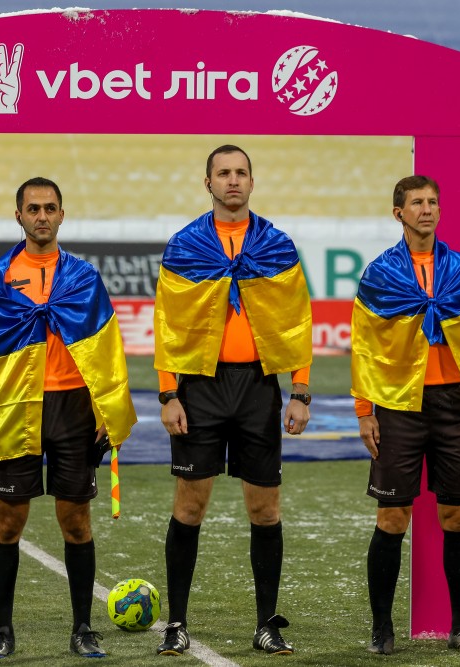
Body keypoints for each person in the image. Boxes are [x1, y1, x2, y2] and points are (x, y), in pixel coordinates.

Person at [152, 145, 313, 656]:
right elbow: (167, 324)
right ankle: (177, 624)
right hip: (199, 387)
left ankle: (267, 625)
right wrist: (168, 393)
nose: (233, 180)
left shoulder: (277, 246)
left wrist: (300, 391)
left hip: (259, 389)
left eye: (241, 172)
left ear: (252, 181)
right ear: (209, 183)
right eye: (223, 173)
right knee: (190, 505)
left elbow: (297, 322)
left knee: (264, 509)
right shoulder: (185, 246)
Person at [0, 177, 137, 659]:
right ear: (18, 215)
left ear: (62, 215)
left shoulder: (83, 277)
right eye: (33, 208)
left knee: (76, 521)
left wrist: (105, 409)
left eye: (49, 208)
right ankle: (3, 630)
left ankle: (83, 628)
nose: (41, 216)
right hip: (17, 406)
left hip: (73, 409)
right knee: (8, 520)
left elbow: (107, 349)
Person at [351, 175, 460, 656]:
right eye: (417, 202)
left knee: (457, 518)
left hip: (456, 407)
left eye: (433, 202)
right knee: (392, 517)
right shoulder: (380, 274)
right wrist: (364, 410)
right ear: (397, 212)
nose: (426, 209)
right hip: (398, 406)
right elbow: (364, 347)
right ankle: (382, 628)